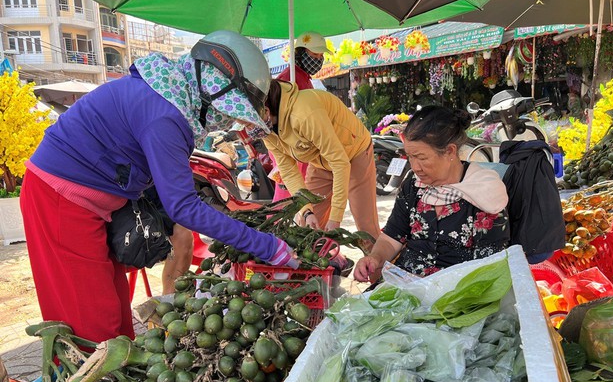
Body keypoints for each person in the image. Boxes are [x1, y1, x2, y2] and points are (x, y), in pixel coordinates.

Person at [20, 30, 297, 344]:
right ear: (210, 92)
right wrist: (265, 246)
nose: (225, 120)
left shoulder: (167, 96)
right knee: (92, 326)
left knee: (115, 313)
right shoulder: (164, 115)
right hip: (59, 200)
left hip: (91, 203)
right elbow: (184, 206)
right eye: (226, 110)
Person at [354, 106, 511, 282]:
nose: (414, 167)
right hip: (405, 284)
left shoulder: (485, 192)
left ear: (450, 151)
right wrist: (375, 258)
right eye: (410, 157)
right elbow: (392, 237)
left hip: (459, 293)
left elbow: (490, 267)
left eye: (421, 158)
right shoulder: (413, 185)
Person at [262, 80, 381, 239]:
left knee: (365, 226)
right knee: (309, 227)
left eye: (247, 121)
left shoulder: (304, 112)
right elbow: (289, 172)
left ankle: (378, 262)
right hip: (320, 162)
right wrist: (306, 211)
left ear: (265, 111)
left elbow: (340, 162)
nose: (247, 128)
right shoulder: (266, 130)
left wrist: (335, 218)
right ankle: (328, 260)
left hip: (354, 151)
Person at [270, 31, 332, 202]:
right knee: (289, 199)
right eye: (314, 54)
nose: (318, 59)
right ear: (300, 53)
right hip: (290, 149)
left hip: (302, 147)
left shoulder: (304, 78)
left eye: (321, 55)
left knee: (300, 196)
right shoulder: (288, 79)